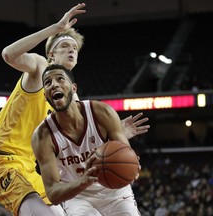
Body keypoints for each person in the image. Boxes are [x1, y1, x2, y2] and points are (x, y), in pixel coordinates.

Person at [0, 3, 149, 216]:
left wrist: (115, 135)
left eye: (75, 48)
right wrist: (55, 29)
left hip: (31, 169)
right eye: (65, 46)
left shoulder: (72, 98)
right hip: (3, 161)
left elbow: (77, 145)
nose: (71, 50)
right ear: (51, 54)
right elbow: (8, 54)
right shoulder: (40, 67)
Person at [32, 64, 142, 216]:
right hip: (77, 195)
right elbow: (53, 193)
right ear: (45, 96)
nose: (54, 84)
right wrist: (83, 181)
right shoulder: (42, 136)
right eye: (48, 83)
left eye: (60, 79)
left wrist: (131, 168)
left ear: (74, 88)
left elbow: (126, 155)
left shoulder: (101, 112)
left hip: (114, 192)